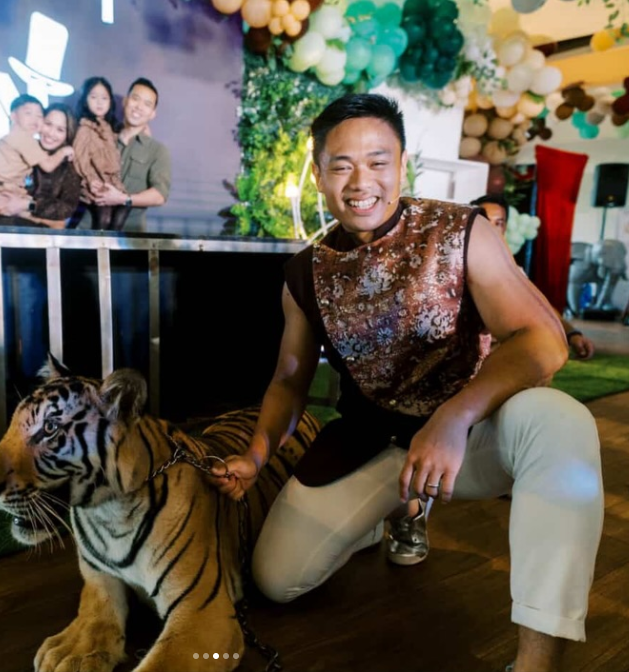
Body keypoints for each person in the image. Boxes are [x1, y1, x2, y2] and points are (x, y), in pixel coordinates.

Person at [210, 94, 603, 672]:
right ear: (318, 174)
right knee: (277, 580)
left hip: (472, 435)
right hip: (378, 441)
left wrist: (454, 417)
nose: (360, 181)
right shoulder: (304, 272)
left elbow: (543, 341)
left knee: (562, 423)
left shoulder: (460, 230)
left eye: (377, 161)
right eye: (341, 165)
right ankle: (394, 511)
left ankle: (536, 662)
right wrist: (255, 454)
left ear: (401, 165)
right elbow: (289, 381)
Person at [471, 194, 596, 360]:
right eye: (484, 221)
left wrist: (572, 334)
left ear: (505, 228)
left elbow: (540, 306)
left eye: (498, 223)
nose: (491, 229)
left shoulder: (512, 270)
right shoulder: (452, 264)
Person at [89, 78, 171, 232]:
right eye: (135, 99)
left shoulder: (158, 151)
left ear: (153, 114)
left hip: (130, 236)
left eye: (147, 104)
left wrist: (123, 199)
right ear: (125, 101)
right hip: (87, 231)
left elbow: (160, 195)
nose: (139, 107)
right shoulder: (102, 138)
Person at [0, 94, 74, 225]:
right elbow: (48, 165)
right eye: (48, 124)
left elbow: (66, 208)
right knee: (56, 224)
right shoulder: (24, 140)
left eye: (39, 116)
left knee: (56, 223)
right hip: (5, 194)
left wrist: (26, 205)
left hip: (8, 195)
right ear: (13, 116)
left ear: (68, 133)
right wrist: (64, 151)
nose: (51, 133)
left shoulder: (67, 167)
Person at [70, 77, 131, 231]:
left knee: (123, 208)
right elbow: (80, 158)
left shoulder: (109, 129)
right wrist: (90, 180)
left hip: (111, 184)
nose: (99, 102)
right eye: (94, 97)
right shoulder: (85, 129)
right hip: (94, 184)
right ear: (85, 100)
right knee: (104, 215)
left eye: (104, 98)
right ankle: (99, 245)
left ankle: (112, 243)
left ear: (110, 102)